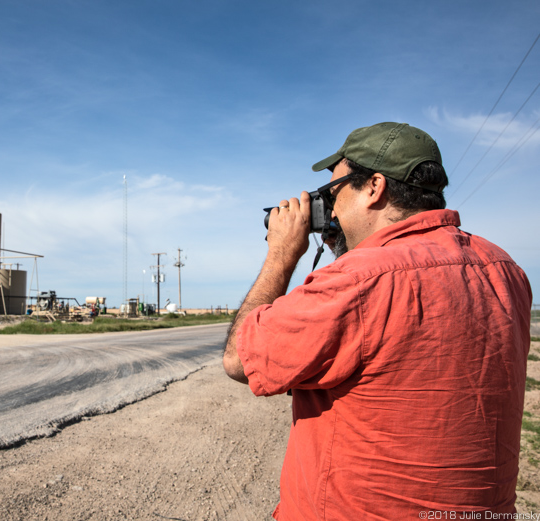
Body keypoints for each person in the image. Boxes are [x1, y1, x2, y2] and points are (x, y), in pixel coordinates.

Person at [222, 122, 532, 518]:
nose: (330, 210)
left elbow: (238, 359)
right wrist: (345, 248)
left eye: (334, 194)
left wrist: (282, 255)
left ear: (374, 187)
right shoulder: (506, 270)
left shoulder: (356, 282)